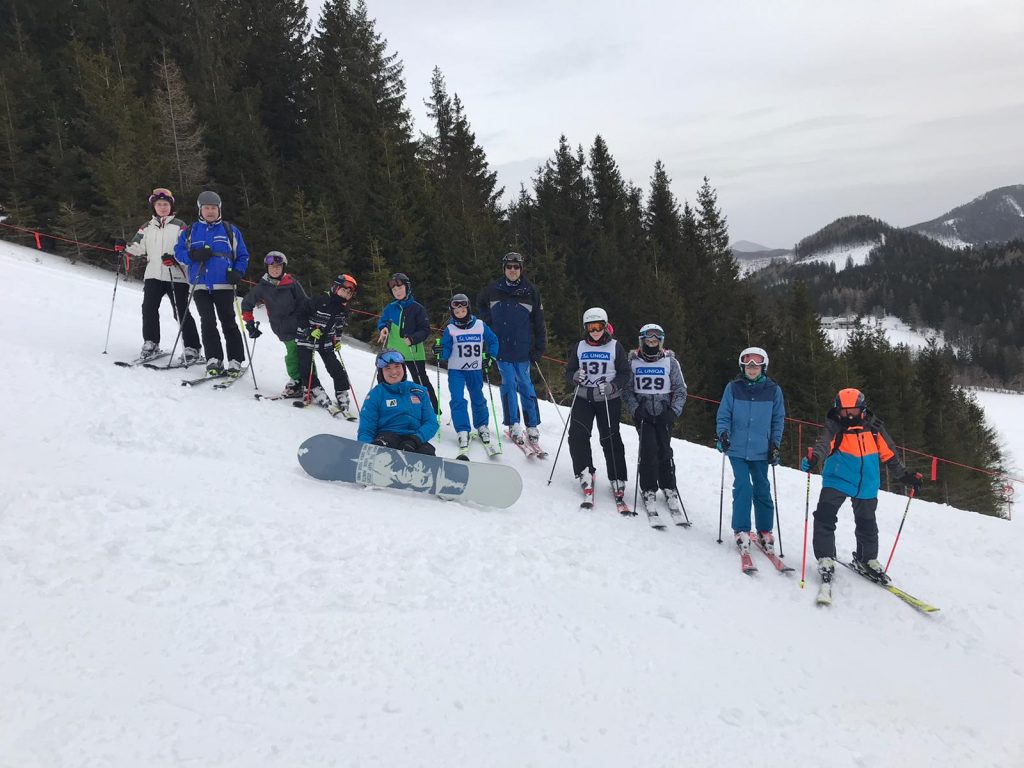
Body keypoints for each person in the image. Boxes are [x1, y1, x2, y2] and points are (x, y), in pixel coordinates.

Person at [801, 388, 923, 585]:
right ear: (837, 410)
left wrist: (905, 476)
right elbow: (823, 445)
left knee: (867, 523)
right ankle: (825, 556)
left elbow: (890, 455)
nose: (849, 416)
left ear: (863, 409)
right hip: (837, 479)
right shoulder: (834, 427)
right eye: (845, 411)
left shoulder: (874, 428)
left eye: (854, 411)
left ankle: (867, 559)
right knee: (824, 516)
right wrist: (814, 458)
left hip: (867, 483)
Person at [715, 347, 786, 556]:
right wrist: (723, 435)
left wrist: (774, 444)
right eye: (748, 366)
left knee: (762, 488)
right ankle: (741, 529)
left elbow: (778, 419)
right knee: (743, 486)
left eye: (756, 366)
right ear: (742, 367)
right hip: (737, 448)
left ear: (763, 367)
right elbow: (724, 414)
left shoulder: (773, 390)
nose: (752, 369)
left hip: (761, 450)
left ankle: (764, 530)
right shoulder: (733, 388)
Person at [174, 190, 250, 375]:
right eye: (206, 208)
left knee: (228, 322)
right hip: (200, 285)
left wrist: (238, 272)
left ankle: (235, 360)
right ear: (200, 210)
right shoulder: (191, 230)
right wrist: (193, 255)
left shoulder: (230, 230)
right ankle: (214, 359)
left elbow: (242, 255)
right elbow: (178, 252)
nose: (210, 211)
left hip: (224, 284)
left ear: (219, 209)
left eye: (213, 208)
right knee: (207, 322)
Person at [122, 187, 201, 364]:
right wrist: (124, 247)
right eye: (159, 204)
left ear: (171, 206)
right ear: (154, 207)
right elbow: (138, 247)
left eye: (165, 204)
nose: (162, 207)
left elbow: (188, 250)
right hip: (153, 275)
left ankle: (192, 347)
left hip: (176, 275)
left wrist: (175, 258)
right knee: (148, 308)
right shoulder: (147, 227)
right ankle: (151, 343)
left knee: (180, 311)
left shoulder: (180, 226)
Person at [476, 252, 546, 446]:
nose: (512, 270)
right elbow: (480, 303)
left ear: (521, 269)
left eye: (516, 267)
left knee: (525, 385)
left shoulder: (530, 291)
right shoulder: (493, 289)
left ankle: (532, 425)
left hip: (523, 348)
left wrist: (539, 347)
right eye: (509, 267)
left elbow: (539, 322)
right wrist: (488, 322)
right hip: (502, 348)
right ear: (504, 268)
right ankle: (513, 423)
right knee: (508, 384)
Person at [564, 308, 631, 508]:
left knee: (610, 437)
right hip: (583, 397)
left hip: (607, 399)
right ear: (585, 328)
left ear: (605, 326)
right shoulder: (580, 346)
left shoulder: (615, 346)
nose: (595, 331)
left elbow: (625, 373)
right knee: (577, 435)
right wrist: (574, 377)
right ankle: (585, 471)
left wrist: (613, 386)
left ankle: (617, 477)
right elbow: (569, 370)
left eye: (599, 326)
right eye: (591, 327)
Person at [622, 323, 688, 521]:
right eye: (648, 341)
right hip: (644, 414)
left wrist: (673, 412)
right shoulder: (633, 362)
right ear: (642, 341)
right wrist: (636, 409)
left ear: (660, 342)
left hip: (663, 413)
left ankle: (669, 486)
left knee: (665, 449)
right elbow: (627, 390)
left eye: (655, 341)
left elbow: (681, 389)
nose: (651, 344)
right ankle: (649, 489)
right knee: (648, 449)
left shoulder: (670, 362)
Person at [433, 293, 500, 456]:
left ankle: (482, 426)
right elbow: (446, 351)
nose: (460, 312)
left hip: (474, 369)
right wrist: (439, 352)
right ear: (452, 311)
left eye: (462, 309)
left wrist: (491, 357)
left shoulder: (480, 325)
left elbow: (493, 340)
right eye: (456, 311)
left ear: (468, 308)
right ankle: (463, 430)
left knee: (478, 398)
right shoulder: (450, 329)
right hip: (456, 371)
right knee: (457, 399)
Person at [240, 251, 313, 397]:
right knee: (294, 354)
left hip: (299, 326)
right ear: (267, 268)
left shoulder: (291, 283)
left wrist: (309, 321)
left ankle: (310, 382)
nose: (275, 269)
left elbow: (305, 302)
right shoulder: (262, 287)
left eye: (278, 267)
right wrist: (250, 324)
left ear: (283, 268)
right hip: (282, 328)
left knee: (303, 353)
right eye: (272, 267)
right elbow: (247, 304)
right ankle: (298, 380)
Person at [375, 272, 438, 412]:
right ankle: (392, 408)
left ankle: (432, 410)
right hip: (394, 352)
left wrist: (413, 338)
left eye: (400, 288)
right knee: (389, 379)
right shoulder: (390, 307)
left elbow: (425, 329)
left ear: (407, 288)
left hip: (413, 352)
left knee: (420, 382)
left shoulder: (417, 308)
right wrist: (383, 328)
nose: (397, 292)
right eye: (394, 290)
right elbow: (383, 321)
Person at [294, 274, 357, 412]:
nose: (345, 294)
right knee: (305, 367)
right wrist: (309, 329)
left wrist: (337, 341)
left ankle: (342, 393)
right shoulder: (320, 300)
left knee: (336, 368)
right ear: (335, 287)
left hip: (326, 341)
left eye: (349, 293)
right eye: (344, 290)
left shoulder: (343, 309)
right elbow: (301, 314)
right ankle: (315, 389)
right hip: (307, 338)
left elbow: (339, 326)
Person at [358, 349, 439, 455]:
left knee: (426, 451)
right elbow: (366, 429)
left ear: (403, 368)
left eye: (397, 366)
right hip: (386, 437)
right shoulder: (375, 395)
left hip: (414, 439)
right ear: (381, 372)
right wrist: (367, 450)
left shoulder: (419, 391)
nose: (393, 372)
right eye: (387, 368)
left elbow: (431, 422)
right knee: (385, 443)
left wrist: (416, 439)